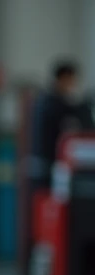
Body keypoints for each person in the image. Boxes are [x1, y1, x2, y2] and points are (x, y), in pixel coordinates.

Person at [29, 60, 94, 190]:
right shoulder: (50, 103)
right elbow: (72, 112)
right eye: (71, 80)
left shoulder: (48, 101)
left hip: (47, 165)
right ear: (63, 78)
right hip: (46, 166)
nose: (72, 85)